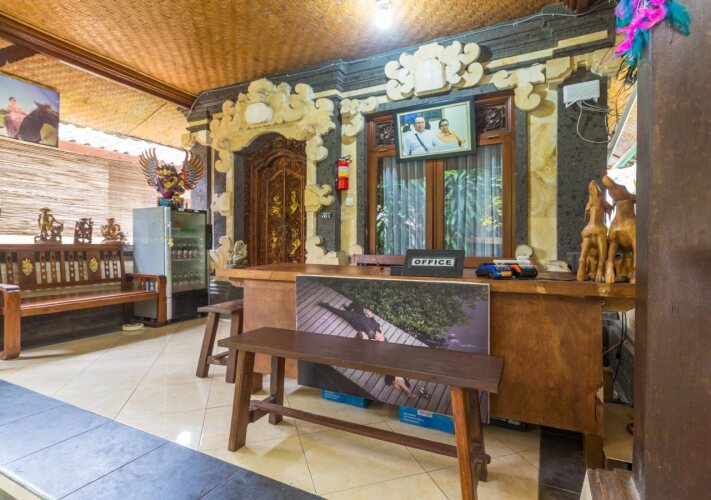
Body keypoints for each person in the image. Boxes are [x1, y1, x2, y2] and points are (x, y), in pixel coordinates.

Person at [318, 300, 413, 397]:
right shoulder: (379, 329)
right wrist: (371, 315)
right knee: (357, 302)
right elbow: (374, 321)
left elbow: (361, 344)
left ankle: (326, 306)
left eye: (378, 337)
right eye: (380, 336)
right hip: (361, 314)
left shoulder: (370, 338)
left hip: (354, 318)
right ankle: (348, 308)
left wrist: (363, 337)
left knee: (339, 312)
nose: (377, 335)